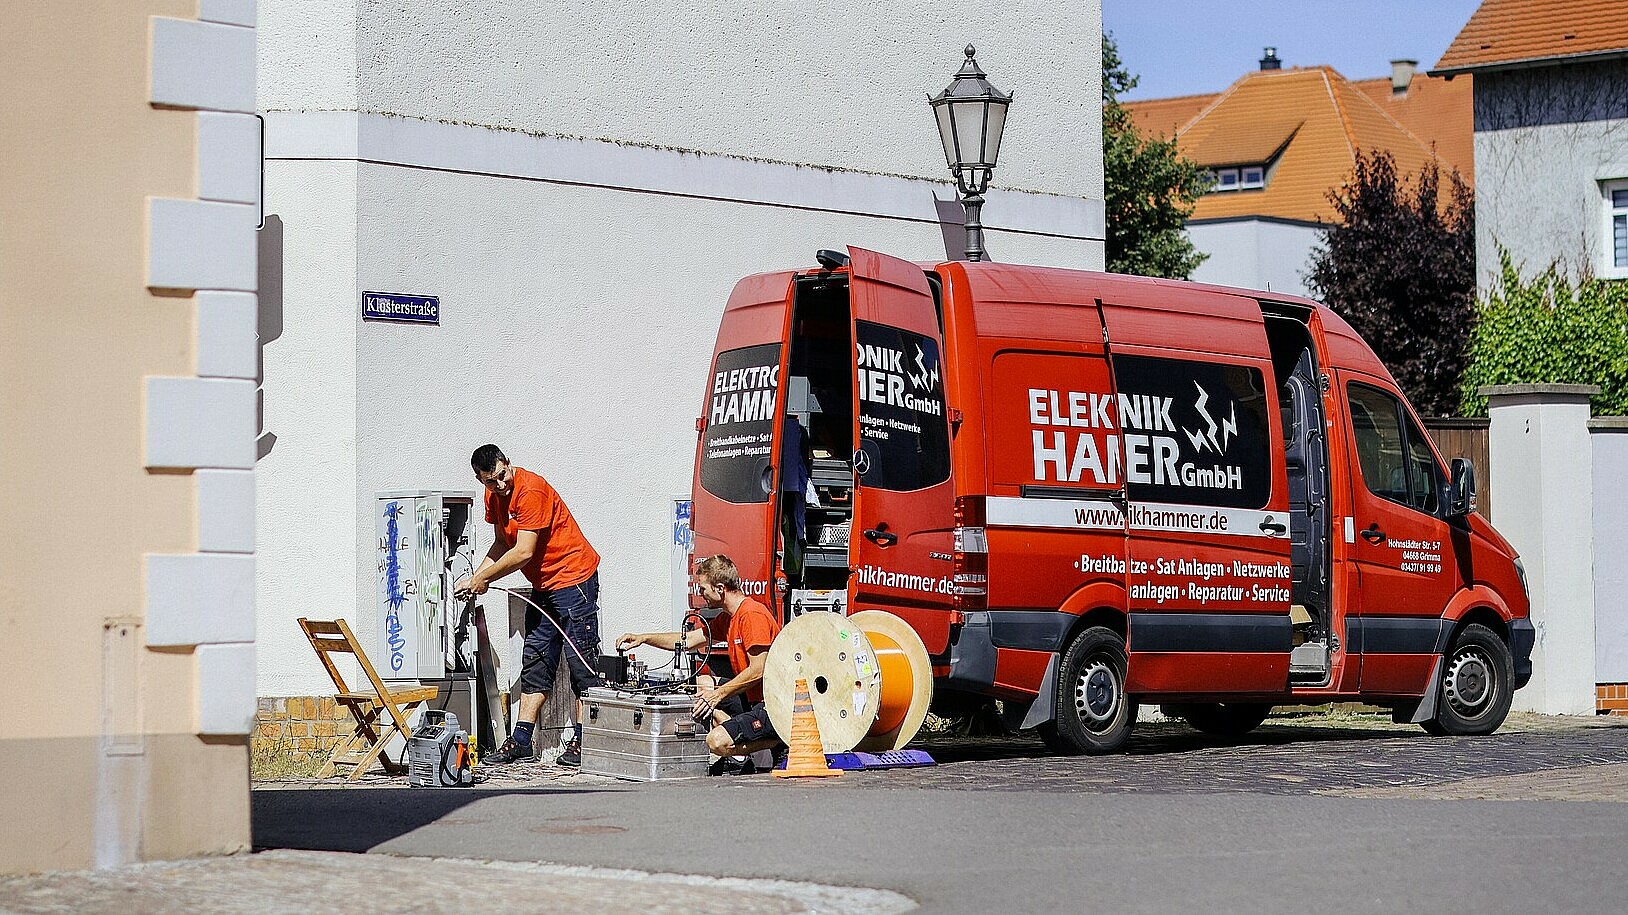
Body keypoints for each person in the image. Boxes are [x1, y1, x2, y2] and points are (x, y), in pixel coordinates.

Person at [455, 444, 602, 767]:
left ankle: (583, 739)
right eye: (490, 482)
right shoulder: (493, 497)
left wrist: (486, 579)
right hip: (545, 585)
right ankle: (521, 739)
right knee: (536, 657)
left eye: (502, 476)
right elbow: (501, 543)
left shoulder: (531, 489)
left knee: (581, 663)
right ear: (481, 481)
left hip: (573, 577)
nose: (500, 485)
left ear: (508, 463)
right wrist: (476, 578)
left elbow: (523, 552)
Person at [617, 555, 784, 771]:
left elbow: (759, 669)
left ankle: (779, 739)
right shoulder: (730, 617)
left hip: (771, 703)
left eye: (703, 588)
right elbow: (688, 640)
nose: (700, 594)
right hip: (750, 695)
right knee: (702, 682)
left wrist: (718, 695)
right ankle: (735, 727)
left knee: (716, 742)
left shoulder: (751, 614)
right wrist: (644, 638)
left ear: (720, 588)